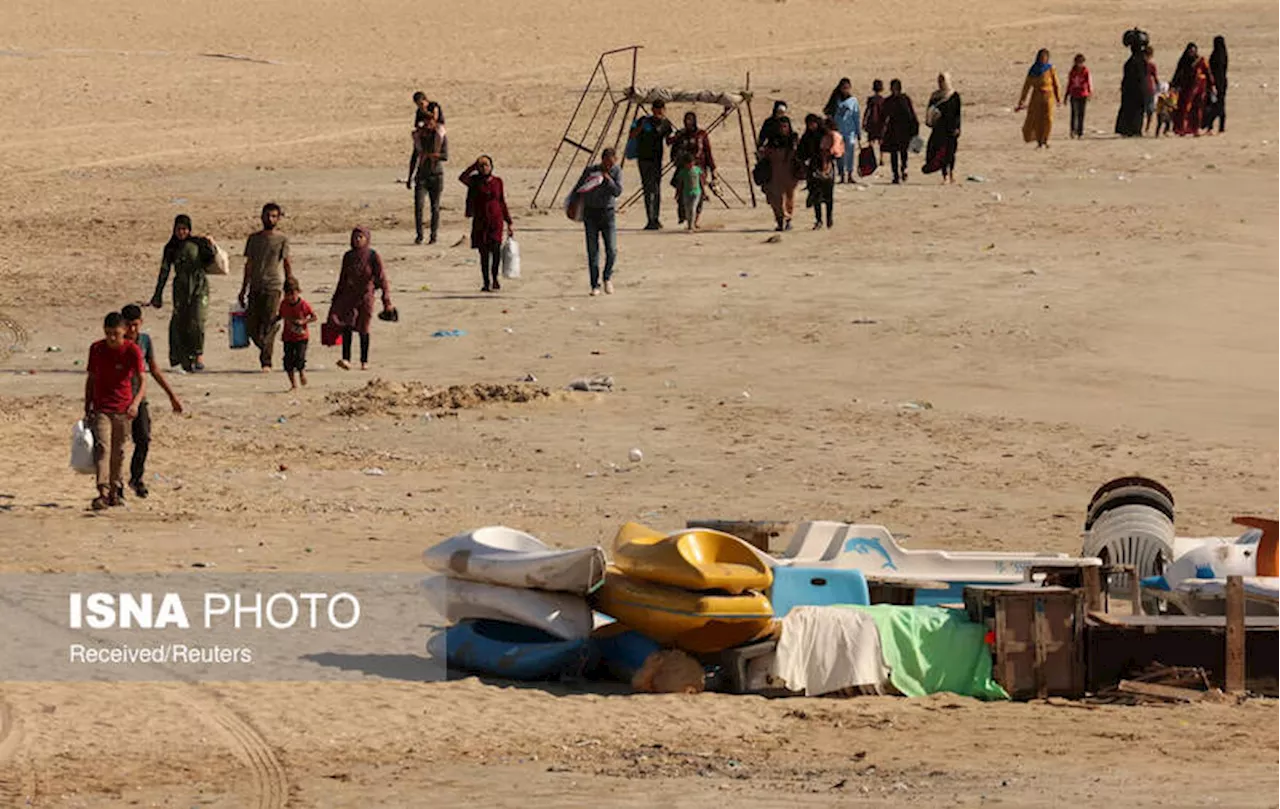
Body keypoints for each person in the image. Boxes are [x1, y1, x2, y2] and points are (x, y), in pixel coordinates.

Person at [84, 312, 146, 511]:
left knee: (118, 451)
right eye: (108, 333)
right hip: (102, 407)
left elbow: (142, 380)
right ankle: (101, 491)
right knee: (103, 448)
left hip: (123, 409)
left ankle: (115, 490)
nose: (112, 338)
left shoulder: (132, 351)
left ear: (124, 332)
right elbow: (91, 378)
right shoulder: (96, 349)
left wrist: (135, 404)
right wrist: (88, 406)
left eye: (116, 334)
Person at [120, 304, 182, 500]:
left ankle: (136, 478)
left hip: (140, 399)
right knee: (118, 444)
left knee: (144, 439)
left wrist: (172, 396)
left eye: (135, 325)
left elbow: (154, 370)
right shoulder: (117, 343)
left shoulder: (144, 341)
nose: (132, 330)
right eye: (129, 325)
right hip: (120, 400)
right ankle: (116, 483)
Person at [150, 214, 211, 372]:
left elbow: (210, 260)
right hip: (181, 288)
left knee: (197, 321)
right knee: (180, 322)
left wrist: (209, 244)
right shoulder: (171, 247)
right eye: (178, 229)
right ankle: (183, 358)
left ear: (189, 230)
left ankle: (198, 355)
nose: (181, 232)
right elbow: (164, 271)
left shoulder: (198, 243)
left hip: (199, 287)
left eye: (184, 229)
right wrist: (158, 294)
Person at [328, 227, 392, 370]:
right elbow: (342, 278)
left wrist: (386, 300)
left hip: (366, 297)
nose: (357, 240)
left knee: (364, 327)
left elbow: (382, 279)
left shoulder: (372, 256)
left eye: (360, 237)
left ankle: (364, 361)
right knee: (347, 325)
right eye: (355, 237)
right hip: (349, 296)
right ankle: (346, 359)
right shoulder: (348, 256)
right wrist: (336, 298)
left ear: (367, 239)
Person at [239, 203, 294, 371]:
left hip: (273, 286)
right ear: (262, 216)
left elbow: (286, 263)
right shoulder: (254, 239)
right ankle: (264, 344)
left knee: (268, 322)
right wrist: (243, 289)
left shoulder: (281, 239)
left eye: (274, 216)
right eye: (267, 215)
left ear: (278, 219)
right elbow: (249, 264)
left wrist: (290, 285)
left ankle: (266, 362)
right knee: (251, 324)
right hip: (255, 285)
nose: (270, 219)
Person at [459, 155, 514, 292]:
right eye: (481, 166)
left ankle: (494, 278)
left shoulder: (497, 182)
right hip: (480, 222)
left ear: (491, 166)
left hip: (496, 221)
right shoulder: (474, 181)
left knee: (496, 253)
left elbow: (502, 201)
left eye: (486, 165)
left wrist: (509, 222)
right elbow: (462, 177)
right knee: (483, 255)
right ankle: (486, 282)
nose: (484, 168)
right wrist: (473, 165)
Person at [575, 148, 622, 295]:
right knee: (593, 251)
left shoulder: (616, 172)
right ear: (602, 160)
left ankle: (607, 276)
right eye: (607, 163)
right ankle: (594, 284)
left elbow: (618, 191)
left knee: (612, 249)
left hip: (607, 214)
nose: (609, 166)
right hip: (590, 214)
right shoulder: (590, 170)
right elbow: (578, 188)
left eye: (611, 164)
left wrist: (608, 179)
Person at [628, 99, 674, 230]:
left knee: (656, 189)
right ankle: (650, 219)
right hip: (644, 159)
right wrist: (641, 127)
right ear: (652, 110)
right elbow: (631, 135)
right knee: (648, 189)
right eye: (657, 109)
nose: (659, 112)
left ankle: (656, 218)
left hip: (657, 160)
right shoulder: (643, 120)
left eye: (661, 110)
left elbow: (669, 141)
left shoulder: (665, 123)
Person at [668, 111, 716, 226]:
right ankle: (684, 215)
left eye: (690, 120)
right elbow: (672, 147)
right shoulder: (681, 134)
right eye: (686, 120)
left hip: (699, 168)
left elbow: (708, 152)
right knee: (681, 193)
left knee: (698, 193)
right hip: (683, 167)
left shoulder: (701, 134)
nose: (687, 122)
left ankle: (695, 219)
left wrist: (713, 168)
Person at [409, 110, 448, 244]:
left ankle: (433, 235)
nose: (427, 124)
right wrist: (410, 177)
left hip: (436, 175)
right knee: (418, 206)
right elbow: (414, 157)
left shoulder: (440, 136)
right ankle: (419, 235)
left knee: (435, 206)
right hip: (421, 175)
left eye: (430, 121)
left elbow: (445, 156)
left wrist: (431, 156)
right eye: (425, 121)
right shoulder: (419, 137)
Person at [760, 118, 799, 231]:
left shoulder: (793, 139)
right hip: (775, 172)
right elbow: (765, 154)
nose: (783, 129)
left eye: (785, 126)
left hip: (789, 173)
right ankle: (780, 219)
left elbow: (799, 154)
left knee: (789, 197)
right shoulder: (773, 140)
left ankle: (788, 219)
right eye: (781, 127)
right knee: (776, 198)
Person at [1017, 49, 1061, 148]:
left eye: (1044, 57)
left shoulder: (1050, 69)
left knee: (1048, 119)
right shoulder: (1033, 70)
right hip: (1036, 96)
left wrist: (1058, 98)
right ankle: (1039, 140)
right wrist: (1022, 100)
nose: (1043, 59)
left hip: (1048, 96)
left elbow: (1056, 84)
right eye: (1041, 57)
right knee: (1037, 119)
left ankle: (1045, 139)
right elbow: (1026, 86)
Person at [277, 277, 316, 390]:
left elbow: (314, 317)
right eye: (289, 295)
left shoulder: (303, 305)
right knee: (288, 361)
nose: (292, 298)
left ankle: (302, 373)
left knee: (300, 358)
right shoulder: (284, 304)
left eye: (293, 294)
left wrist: (304, 321)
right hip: (288, 337)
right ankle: (293, 384)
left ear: (298, 292)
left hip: (301, 337)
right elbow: (280, 315)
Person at [925, 73, 962, 184]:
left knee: (951, 153)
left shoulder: (954, 95)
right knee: (941, 152)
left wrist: (958, 127)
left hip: (951, 129)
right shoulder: (935, 96)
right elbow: (929, 110)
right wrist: (929, 121)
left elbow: (958, 114)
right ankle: (945, 175)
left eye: (942, 80)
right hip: (939, 129)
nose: (940, 83)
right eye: (939, 80)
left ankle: (952, 174)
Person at [1171, 43, 1215, 136]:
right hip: (1186, 88)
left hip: (1199, 88)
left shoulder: (1201, 61)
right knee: (1184, 108)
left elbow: (1208, 73)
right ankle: (1181, 128)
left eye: (1193, 51)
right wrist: (1174, 84)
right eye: (1190, 51)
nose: (1191, 53)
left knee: (1197, 108)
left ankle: (1195, 129)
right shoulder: (1184, 61)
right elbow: (1178, 73)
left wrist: (1211, 86)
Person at [881, 79, 919, 183]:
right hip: (893, 130)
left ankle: (903, 168)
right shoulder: (889, 101)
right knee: (894, 153)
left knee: (903, 152)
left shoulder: (904, 99)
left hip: (904, 130)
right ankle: (895, 175)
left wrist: (914, 128)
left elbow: (911, 114)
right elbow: (883, 116)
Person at [824, 78, 862, 182]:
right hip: (838, 132)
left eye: (847, 88)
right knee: (839, 153)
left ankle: (850, 174)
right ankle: (841, 175)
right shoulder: (835, 99)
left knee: (850, 153)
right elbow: (827, 111)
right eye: (844, 88)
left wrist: (858, 132)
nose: (846, 90)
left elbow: (856, 116)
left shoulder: (853, 101)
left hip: (850, 131)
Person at [806, 119, 841, 229]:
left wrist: (829, 155)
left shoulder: (831, 136)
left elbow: (836, 151)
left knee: (828, 196)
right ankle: (818, 220)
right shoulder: (809, 136)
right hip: (814, 168)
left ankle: (829, 218)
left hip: (828, 168)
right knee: (816, 195)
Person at [406, 92, 446, 186]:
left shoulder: (433, 105)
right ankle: (421, 152)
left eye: (421, 103)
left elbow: (435, 117)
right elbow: (416, 124)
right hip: (425, 127)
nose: (420, 106)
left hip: (437, 126)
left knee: (439, 133)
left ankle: (435, 153)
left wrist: (425, 111)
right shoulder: (418, 111)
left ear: (425, 100)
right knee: (415, 135)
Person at [1203, 36, 1228, 133]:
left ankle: (1210, 126)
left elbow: (1212, 70)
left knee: (1213, 105)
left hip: (1215, 83)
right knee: (1221, 104)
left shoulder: (1215, 56)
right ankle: (1221, 127)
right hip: (1223, 83)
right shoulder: (1224, 55)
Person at [1065, 54, 1093, 139]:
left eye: (1081, 62)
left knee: (1081, 114)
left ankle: (1080, 132)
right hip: (1074, 94)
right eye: (1078, 62)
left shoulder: (1085, 71)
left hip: (1083, 94)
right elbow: (1069, 83)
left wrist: (1089, 93)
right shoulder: (1072, 71)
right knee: (1074, 113)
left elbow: (1088, 82)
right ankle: (1073, 130)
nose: (1080, 64)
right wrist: (1066, 95)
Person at [673, 150, 702, 231]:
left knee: (693, 208)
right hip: (686, 193)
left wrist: (704, 193)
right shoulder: (683, 172)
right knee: (687, 209)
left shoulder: (697, 170)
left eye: (691, 163)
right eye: (688, 163)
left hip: (696, 193)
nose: (689, 165)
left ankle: (691, 226)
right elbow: (679, 184)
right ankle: (689, 223)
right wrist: (677, 193)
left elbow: (701, 182)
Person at [863, 80, 887, 165]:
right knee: (881, 141)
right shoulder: (883, 100)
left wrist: (864, 121)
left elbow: (867, 111)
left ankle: (871, 158)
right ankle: (881, 159)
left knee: (871, 142)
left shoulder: (871, 99)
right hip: (880, 123)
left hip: (872, 122)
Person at [1143, 47, 1159, 134]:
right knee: (1147, 109)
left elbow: (1155, 78)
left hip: (1148, 88)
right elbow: (1156, 78)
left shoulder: (1151, 65)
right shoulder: (1144, 65)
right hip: (1146, 88)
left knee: (1149, 109)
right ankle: (1146, 127)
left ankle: (1147, 127)